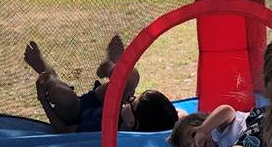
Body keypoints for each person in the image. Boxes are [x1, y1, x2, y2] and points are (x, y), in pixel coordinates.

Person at [23, 35, 179, 134]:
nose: (129, 99)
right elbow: (176, 117)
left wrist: (43, 100)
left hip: (75, 115)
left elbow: (64, 130)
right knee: (131, 77)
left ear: (131, 122)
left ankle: (46, 71)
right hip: (99, 102)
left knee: (58, 92)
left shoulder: (105, 128)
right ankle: (111, 66)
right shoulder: (134, 118)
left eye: (132, 102)